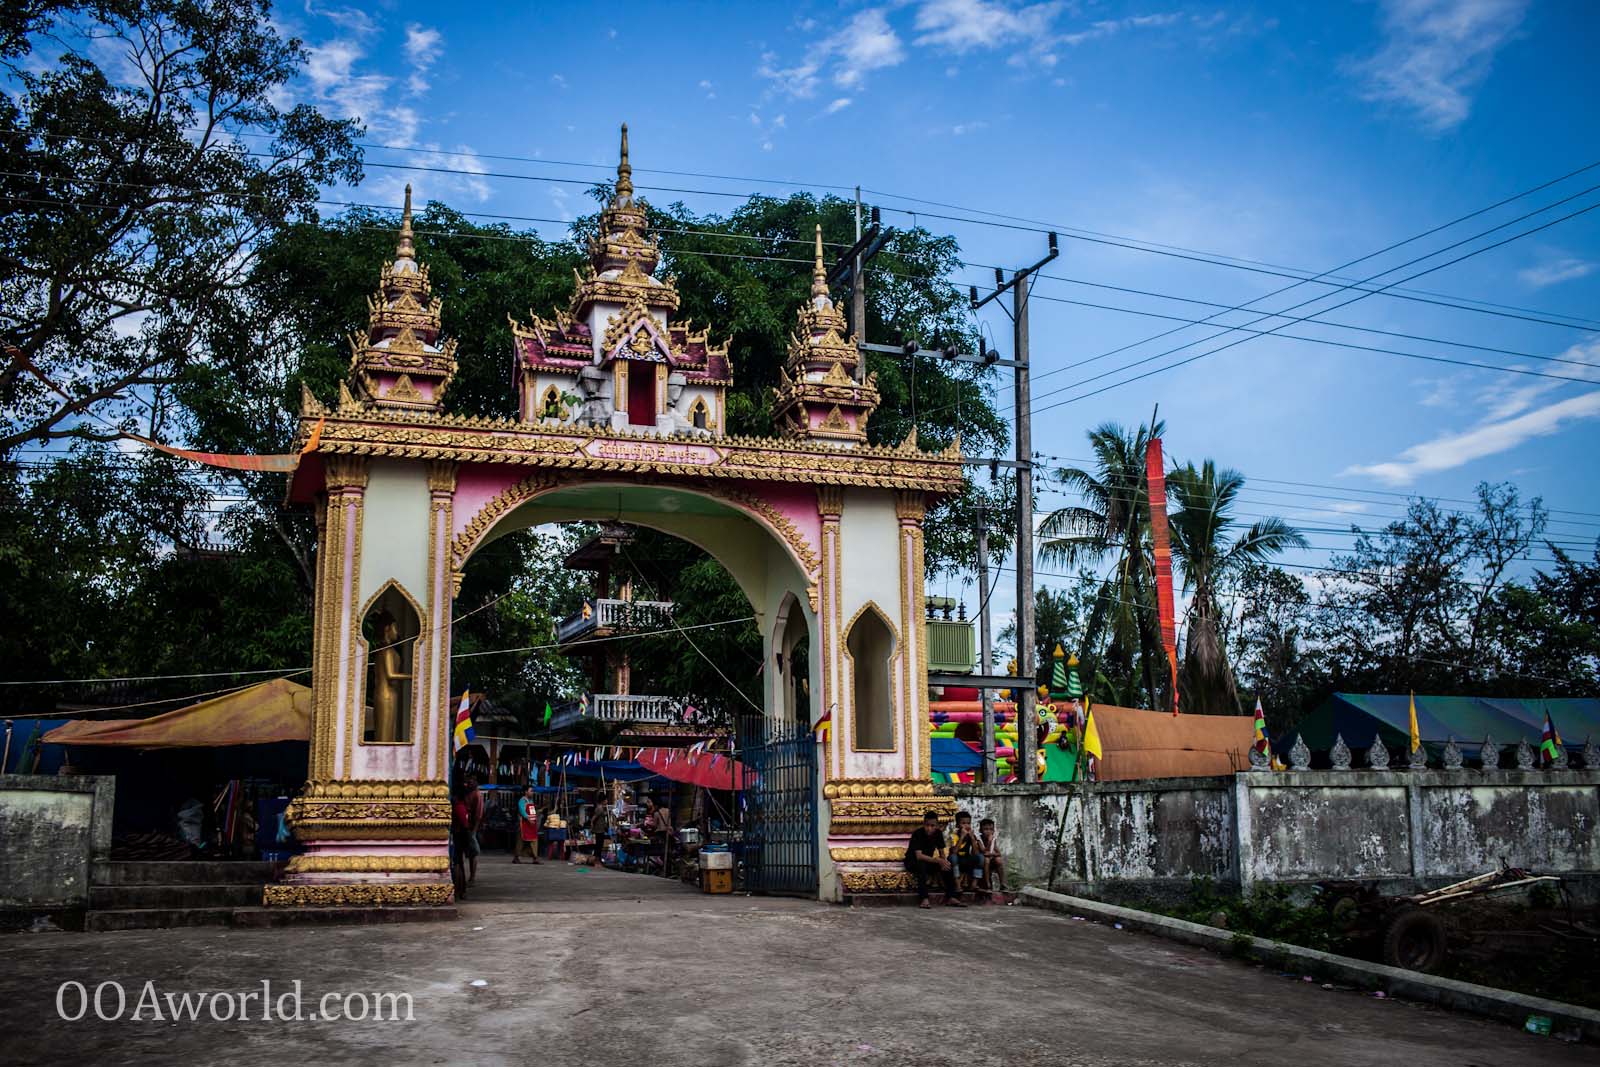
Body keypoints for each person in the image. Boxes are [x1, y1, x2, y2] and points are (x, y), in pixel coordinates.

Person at [904, 810, 963, 909]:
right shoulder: (917, 834)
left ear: (937, 825)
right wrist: (938, 861)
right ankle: (924, 898)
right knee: (921, 866)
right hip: (913, 862)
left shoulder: (938, 834)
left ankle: (951, 896)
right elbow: (919, 856)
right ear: (924, 824)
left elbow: (941, 852)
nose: (929, 828)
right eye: (927, 825)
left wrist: (944, 862)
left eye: (932, 826)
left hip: (929, 861)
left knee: (948, 866)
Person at [948, 811, 984, 894]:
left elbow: (976, 853)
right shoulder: (953, 836)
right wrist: (962, 837)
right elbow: (954, 852)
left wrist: (972, 838)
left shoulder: (971, 835)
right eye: (963, 823)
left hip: (966, 859)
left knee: (981, 857)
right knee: (953, 857)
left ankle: (974, 884)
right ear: (957, 825)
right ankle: (957, 885)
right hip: (955, 860)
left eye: (968, 823)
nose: (966, 826)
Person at [450, 784, 473, 899]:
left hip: (458, 836)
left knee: (458, 862)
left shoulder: (458, 806)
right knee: (459, 863)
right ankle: (460, 889)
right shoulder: (460, 807)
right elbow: (465, 823)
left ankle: (460, 888)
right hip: (459, 837)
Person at [462, 775, 484, 886]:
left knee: (472, 853)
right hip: (464, 824)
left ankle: (472, 877)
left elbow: (478, 815)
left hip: (471, 826)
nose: (467, 784)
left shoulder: (477, 794)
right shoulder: (466, 792)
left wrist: (474, 830)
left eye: (469, 782)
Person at [977, 817, 1005, 897]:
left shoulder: (993, 839)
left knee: (998, 860)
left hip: (990, 859)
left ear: (993, 830)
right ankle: (987, 884)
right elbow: (984, 852)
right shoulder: (979, 840)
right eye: (986, 829)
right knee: (986, 860)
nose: (988, 831)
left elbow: (998, 853)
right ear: (981, 831)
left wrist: (992, 854)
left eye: (991, 829)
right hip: (981, 862)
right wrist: (989, 842)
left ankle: (1002, 883)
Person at [513, 786, 540, 864]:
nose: (532, 792)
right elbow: (522, 811)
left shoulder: (531, 801)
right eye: (531, 791)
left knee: (534, 840)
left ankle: (535, 858)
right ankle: (516, 857)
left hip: (531, 825)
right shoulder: (522, 801)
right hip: (523, 824)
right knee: (521, 841)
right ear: (526, 792)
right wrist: (528, 819)